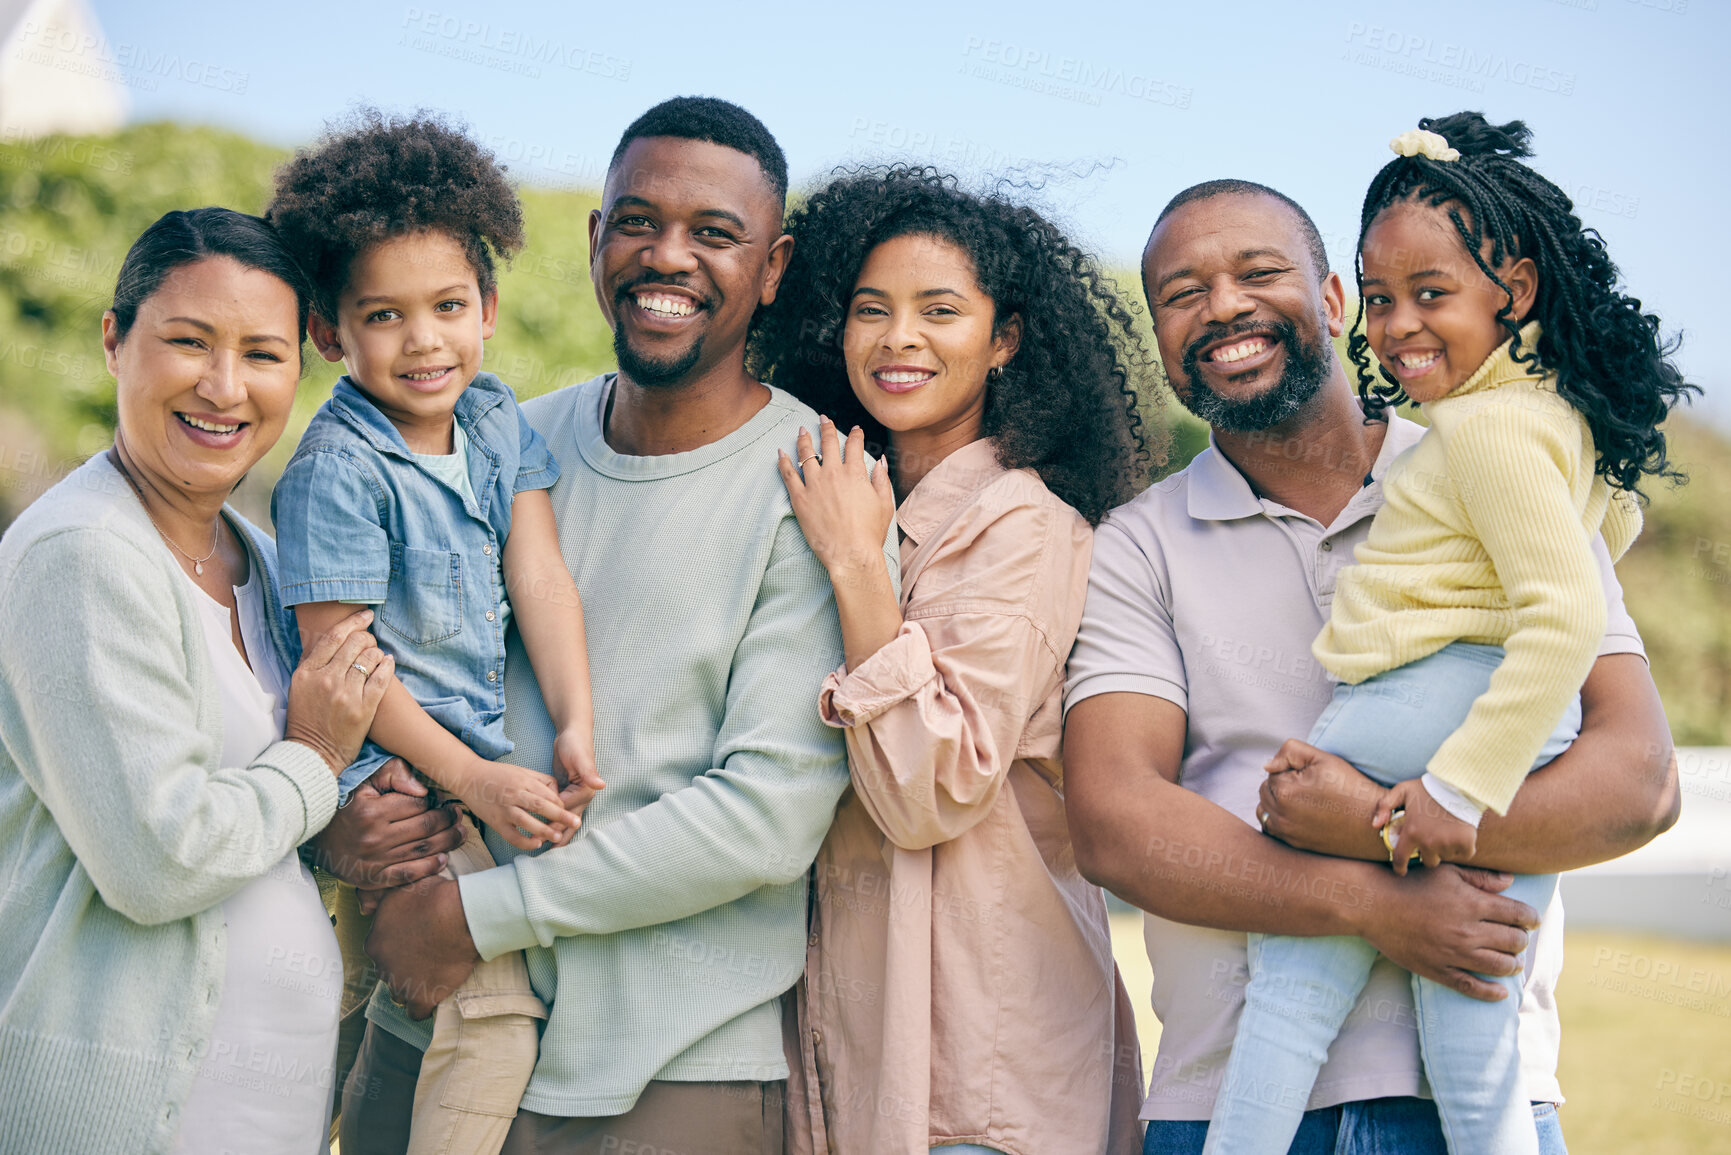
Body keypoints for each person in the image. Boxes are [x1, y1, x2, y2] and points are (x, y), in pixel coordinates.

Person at [1061, 176, 1680, 1155]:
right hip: (1224, 1105)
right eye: (1182, 293)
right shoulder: (1136, 546)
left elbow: (1637, 781)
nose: (1222, 305)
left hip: (1481, 1107)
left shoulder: (1497, 461)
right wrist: (1375, 900)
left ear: (1338, 302)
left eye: (1258, 273)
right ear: (1162, 340)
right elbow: (1117, 825)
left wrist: (1369, 826)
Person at [339, 96, 888, 1155]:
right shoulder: (497, 441)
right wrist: (348, 826)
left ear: (772, 267)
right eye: (637, 221)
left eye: (714, 234)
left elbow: (765, 817)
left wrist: (476, 917)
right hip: (434, 1018)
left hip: (666, 1074)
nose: (667, 256)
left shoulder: (816, 485)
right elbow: (379, 676)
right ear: (596, 240)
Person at [754, 165, 1150, 1155]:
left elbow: (931, 789)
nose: (900, 340)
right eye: (870, 310)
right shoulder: (849, 494)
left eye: (940, 310)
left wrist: (855, 565)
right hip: (849, 1047)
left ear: (1004, 337)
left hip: (982, 1071)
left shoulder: (1023, 525)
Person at [0, 207, 396, 1153]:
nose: (225, 387)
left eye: (262, 354)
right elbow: (157, 856)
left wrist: (345, 827)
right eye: (188, 342)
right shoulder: (83, 553)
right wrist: (317, 758)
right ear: (114, 339)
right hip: (123, 1117)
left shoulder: (261, 558)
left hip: (267, 1110)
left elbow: (263, 823)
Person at [266, 111, 603, 1155]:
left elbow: (537, 572)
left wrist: (578, 719)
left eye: (448, 306)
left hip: (476, 766)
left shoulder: (497, 420)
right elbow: (348, 672)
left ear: (488, 308)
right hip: (395, 779)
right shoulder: (337, 470)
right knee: (488, 1015)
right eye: (385, 315)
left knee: (409, 1011)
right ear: (330, 331)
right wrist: (475, 780)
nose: (424, 341)